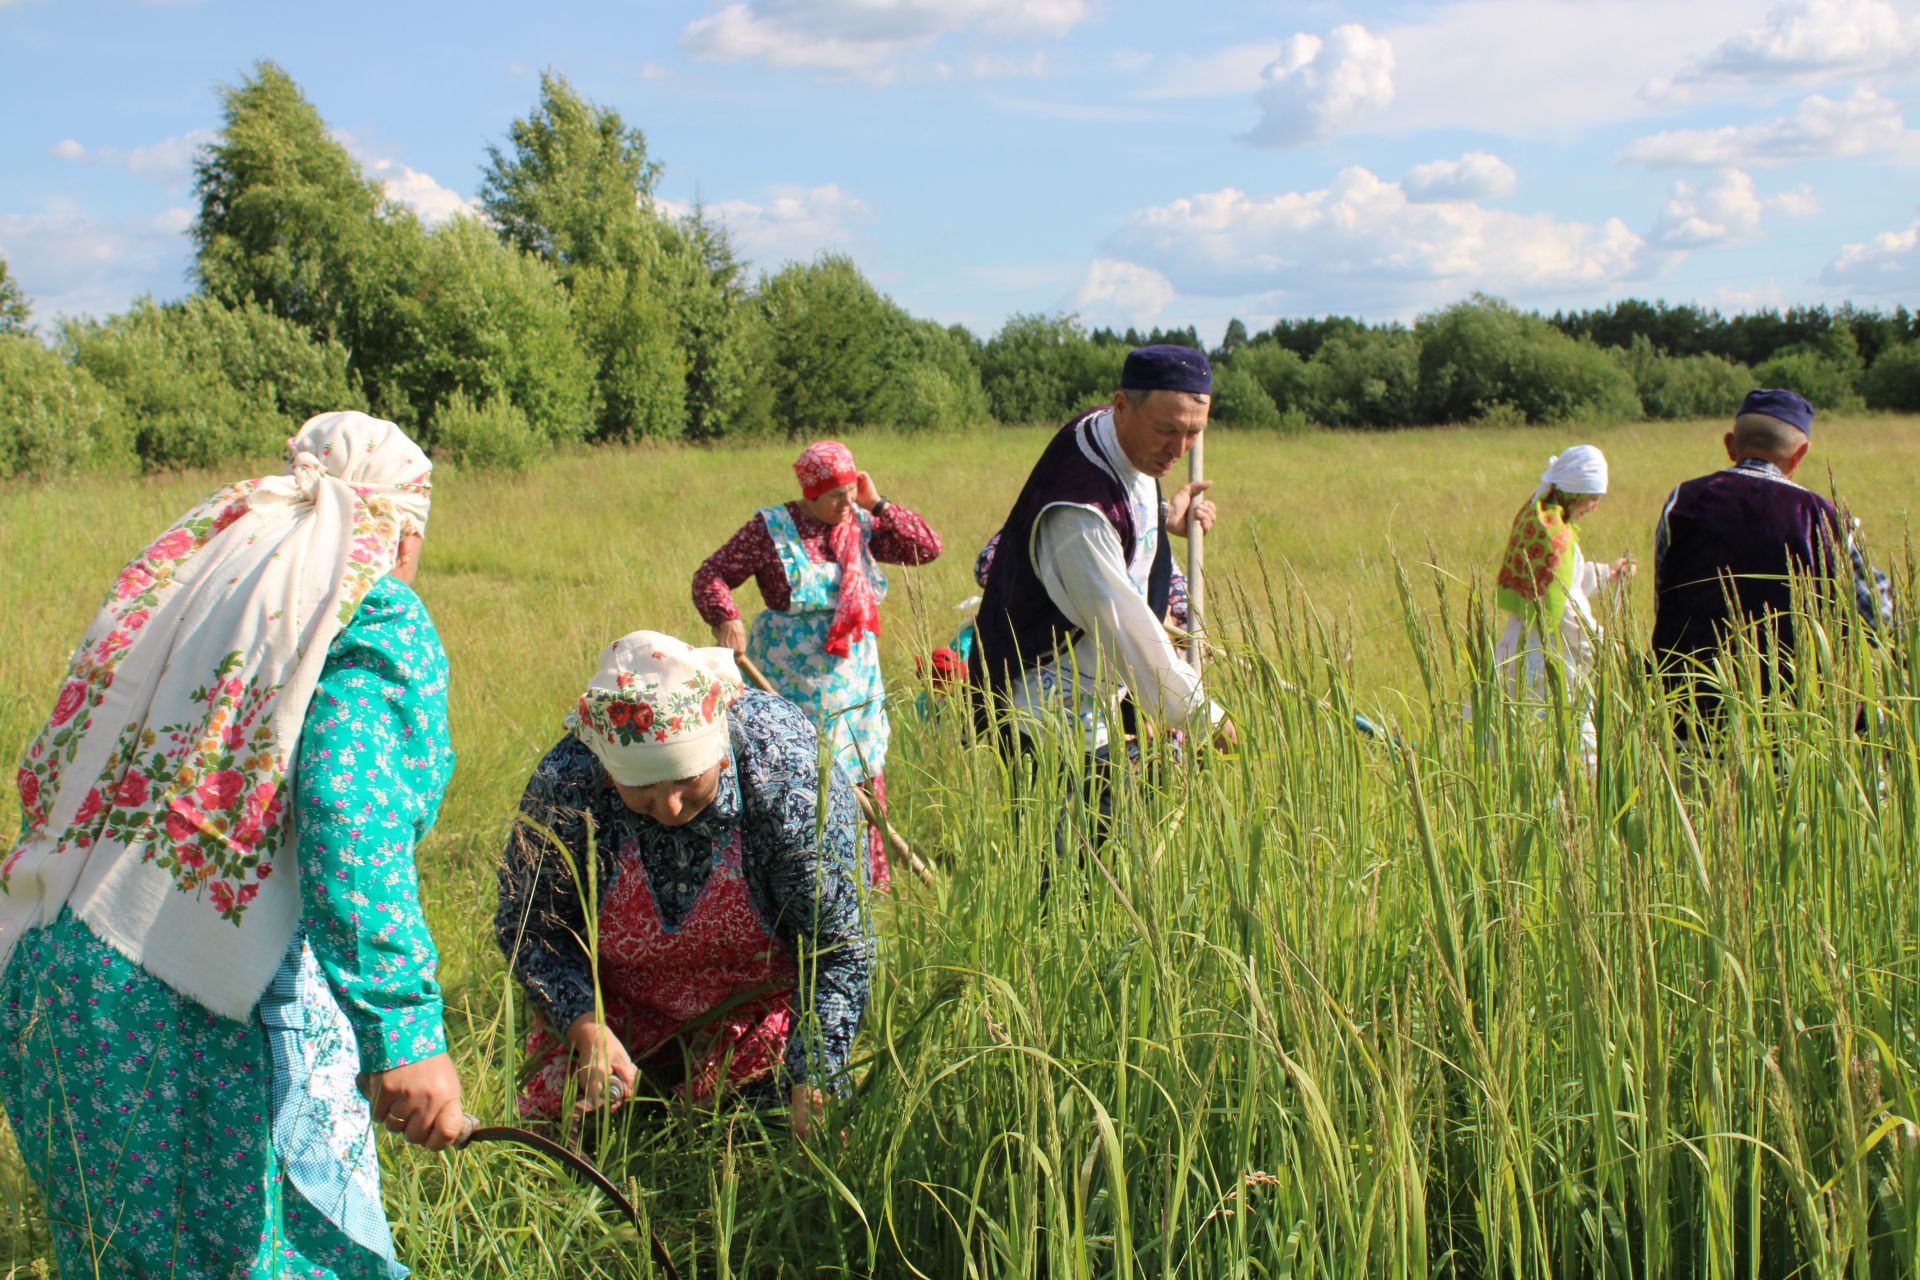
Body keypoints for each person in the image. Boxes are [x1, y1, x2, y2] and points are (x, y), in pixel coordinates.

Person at [0, 411, 463, 1279]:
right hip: (201, 1006)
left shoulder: (193, 589)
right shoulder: (368, 612)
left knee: (119, 1260)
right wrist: (405, 1031)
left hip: (53, 986)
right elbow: (346, 814)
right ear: (401, 534)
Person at [495, 631, 871, 1142]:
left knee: (758, 1135)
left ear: (718, 755)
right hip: (616, 1011)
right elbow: (529, 929)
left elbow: (839, 947)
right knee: (563, 1136)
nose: (669, 807)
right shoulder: (569, 781)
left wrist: (816, 1082)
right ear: (607, 772)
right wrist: (588, 1029)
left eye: (685, 780)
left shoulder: (784, 774)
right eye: (642, 789)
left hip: (754, 1009)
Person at [692, 441, 942, 890]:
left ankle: (866, 886)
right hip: (790, 683)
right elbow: (711, 574)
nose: (846, 503)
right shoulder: (770, 530)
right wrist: (726, 616)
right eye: (835, 495)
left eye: (852, 490)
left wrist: (877, 502)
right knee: (795, 774)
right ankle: (799, 884)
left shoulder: (862, 524)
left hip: (856, 681)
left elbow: (926, 547)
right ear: (808, 493)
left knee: (861, 772)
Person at [970, 343, 1229, 757]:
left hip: (1103, 696)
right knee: (1076, 823)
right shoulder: (1077, 510)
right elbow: (1122, 624)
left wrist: (1162, 518)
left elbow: (1124, 508)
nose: (1178, 450)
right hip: (1047, 712)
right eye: (1167, 430)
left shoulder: (1124, 441)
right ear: (1122, 406)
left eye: (1194, 432)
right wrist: (1203, 717)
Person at [1650, 388, 1881, 726]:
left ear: (1730, 444)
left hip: (1686, 722)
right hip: (1798, 731)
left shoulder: (1681, 502)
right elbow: (1875, 618)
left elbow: (1664, 603)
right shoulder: (1824, 517)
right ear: (1800, 454)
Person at [1490, 445, 1635, 761]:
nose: (1594, 506)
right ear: (1575, 492)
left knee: (1529, 743)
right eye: (1592, 497)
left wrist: (1608, 573)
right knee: (1566, 747)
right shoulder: (1554, 533)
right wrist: (1602, 642)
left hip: (1527, 644)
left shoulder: (1542, 519)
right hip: (1550, 657)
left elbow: (1564, 581)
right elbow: (1564, 606)